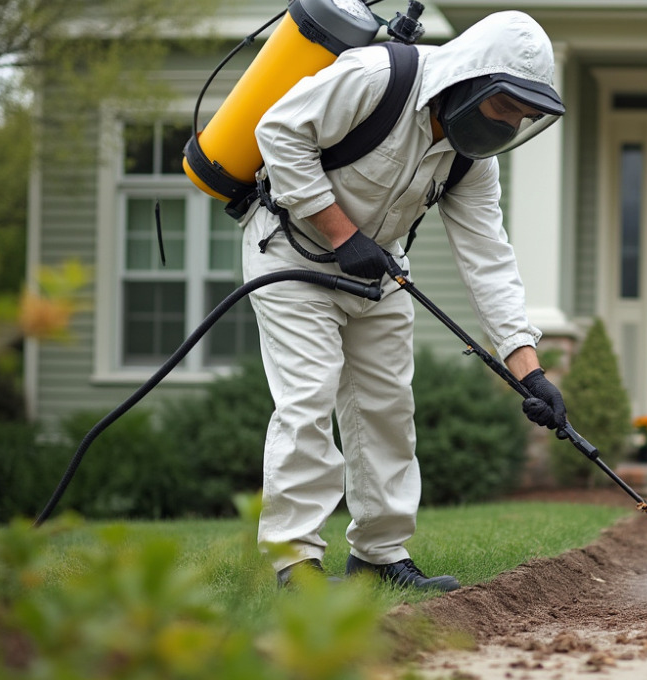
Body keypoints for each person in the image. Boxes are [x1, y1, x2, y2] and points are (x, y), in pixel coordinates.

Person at [241, 10, 568, 591]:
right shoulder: (376, 78)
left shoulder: (471, 159)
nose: (510, 123)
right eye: (503, 107)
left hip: (378, 268)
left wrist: (530, 370)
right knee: (309, 396)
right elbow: (280, 133)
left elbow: (488, 256)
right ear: (471, 81)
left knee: (387, 408)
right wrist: (343, 235)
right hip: (291, 251)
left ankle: (378, 554)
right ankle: (295, 566)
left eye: (522, 114)